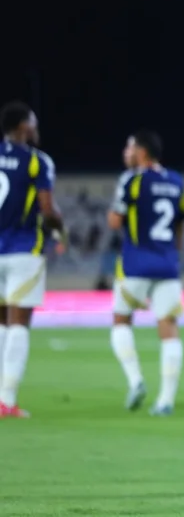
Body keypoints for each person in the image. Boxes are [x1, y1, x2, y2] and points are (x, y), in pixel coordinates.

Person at [107, 132, 184, 415]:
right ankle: (166, 400)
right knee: (169, 327)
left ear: (142, 152)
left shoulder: (131, 180)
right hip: (167, 264)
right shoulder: (176, 181)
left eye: (129, 147)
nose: (125, 152)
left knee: (121, 320)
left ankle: (136, 380)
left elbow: (114, 220)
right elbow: (180, 225)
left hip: (135, 264)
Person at [0, 101, 66, 419]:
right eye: (34, 124)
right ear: (23, 127)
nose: (37, 130)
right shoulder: (37, 161)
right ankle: (7, 400)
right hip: (24, 249)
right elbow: (47, 209)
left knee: (1, 322)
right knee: (18, 323)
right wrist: (60, 230)